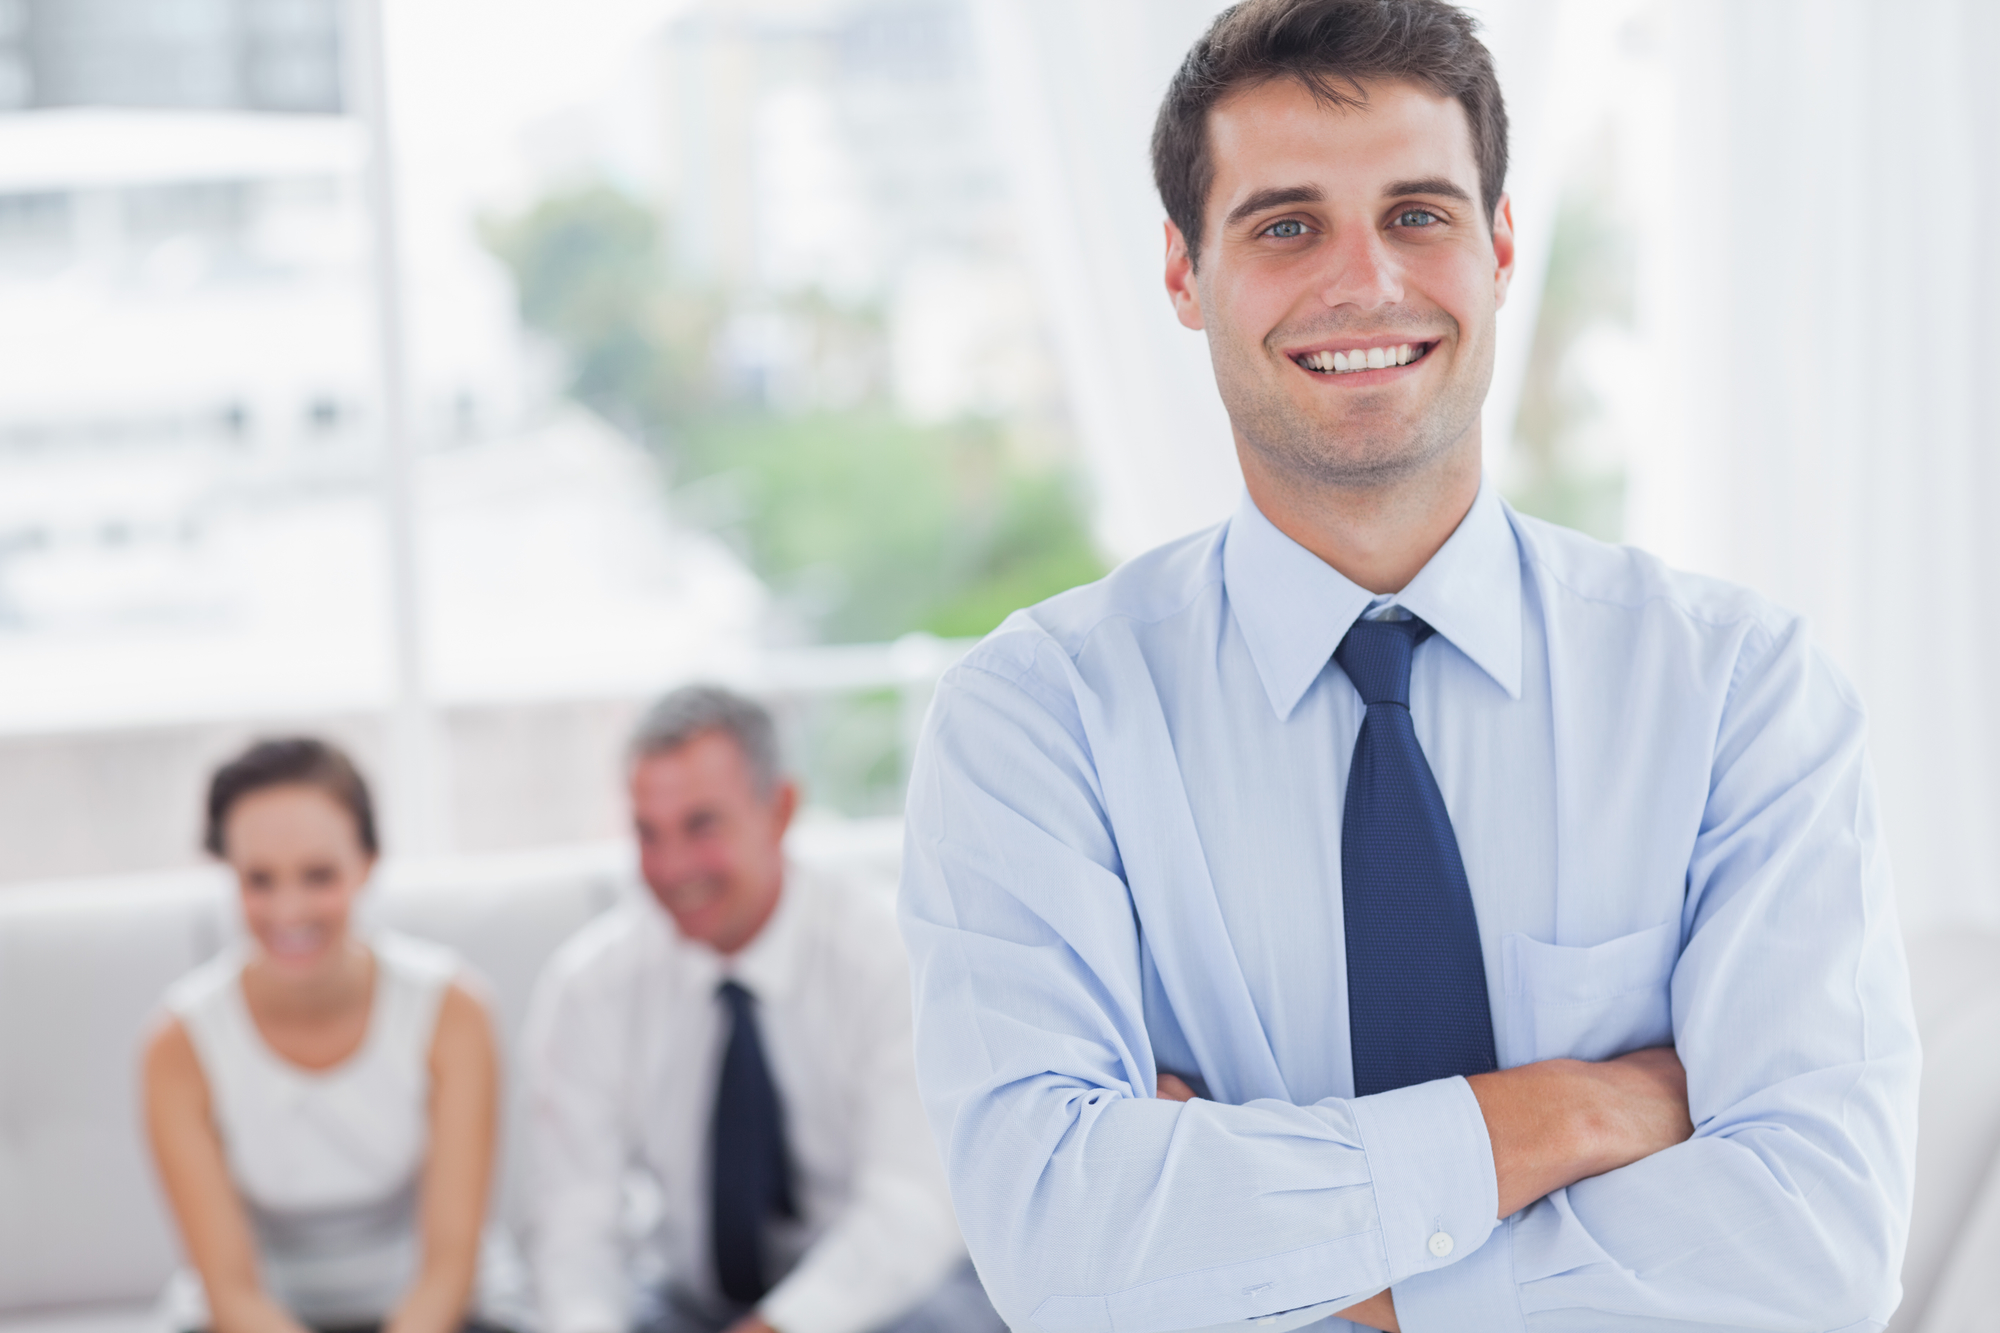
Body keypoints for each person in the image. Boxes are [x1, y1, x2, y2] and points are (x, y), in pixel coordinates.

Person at [897, 3, 1920, 1331]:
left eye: (1420, 214)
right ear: (1181, 273)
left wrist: (1287, 1269)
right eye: (1284, 225)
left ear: (1500, 247)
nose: (1365, 280)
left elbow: (1817, 1249)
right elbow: (1060, 1246)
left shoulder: (1739, 693)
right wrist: (1581, 1109)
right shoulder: (1036, 723)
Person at [522, 686, 999, 1333]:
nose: (671, 867)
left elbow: (912, 1206)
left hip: (881, 1296)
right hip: (692, 1303)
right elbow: (577, 1231)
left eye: (701, 825)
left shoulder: (889, 956)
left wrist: (780, 1325)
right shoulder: (590, 987)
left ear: (780, 809)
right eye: (647, 832)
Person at [143, 738, 506, 1333]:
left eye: (319, 876)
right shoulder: (176, 1047)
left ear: (368, 862)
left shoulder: (454, 1012)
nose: (289, 910)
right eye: (259, 880)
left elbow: (448, 1269)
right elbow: (231, 1292)